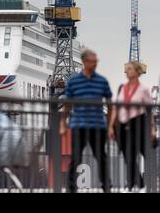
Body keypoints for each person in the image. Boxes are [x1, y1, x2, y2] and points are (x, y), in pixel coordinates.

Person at [60, 49, 113, 193]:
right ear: (84, 62)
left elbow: (110, 104)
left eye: (96, 62)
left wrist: (110, 125)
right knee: (76, 157)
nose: (95, 64)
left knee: (101, 157)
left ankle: (106, 187)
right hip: (79, 125)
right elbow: (67, 105)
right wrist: (63, 123)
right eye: (92, 61)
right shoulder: (73, 81)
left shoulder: (102, 81)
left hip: (98, 125)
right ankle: (71, 188)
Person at [108, 62, 157, 192]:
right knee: (128, 156)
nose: (127, 71)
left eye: (130, 69)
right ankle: (137, 183)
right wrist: (111, 125)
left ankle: (147, 183)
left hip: (139, 123)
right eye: (127, 69)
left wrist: (152, 128)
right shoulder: (121, 88)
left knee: (144, 154)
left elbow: (149, 110)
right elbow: (116, 108)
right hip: (124, 125)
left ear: (137, 72)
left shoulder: (144, 89)